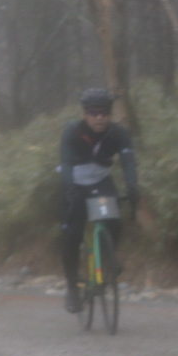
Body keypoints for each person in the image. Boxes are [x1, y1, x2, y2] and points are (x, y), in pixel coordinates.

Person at [58, 88, 139, 313]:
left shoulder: (119, 134)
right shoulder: (72, 132)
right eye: (94, 113)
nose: (99, 117)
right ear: (85, 114)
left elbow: (128, 162)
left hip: (101, 184)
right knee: (71, 235)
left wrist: (132, 186)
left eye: (104, 113)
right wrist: (68, 189)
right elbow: (65, 163)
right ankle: (73, 288)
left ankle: (108, 258)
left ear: (110, 114)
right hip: (74, 184)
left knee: (114, 218)